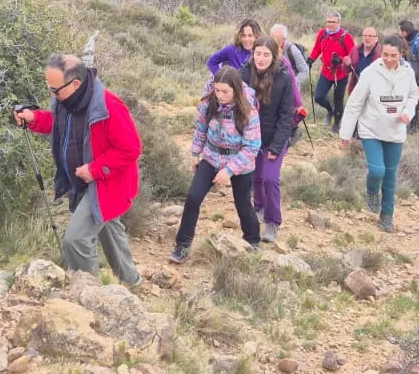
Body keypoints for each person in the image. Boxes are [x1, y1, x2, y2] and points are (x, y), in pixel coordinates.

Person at [14, 54, 142, 285]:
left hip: (108, 185)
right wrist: (34, 118)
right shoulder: (66, 101)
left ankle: (88, 294)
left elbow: (130, 149)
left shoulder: (108, 106)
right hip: (82, 182)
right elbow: (58, 124)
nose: (52, 95)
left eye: (56, 90)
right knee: (111, 231)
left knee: (76, 240)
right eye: (49, 88)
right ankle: (132, 283)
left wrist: (95, 169)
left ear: (75, 83)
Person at [171, 67, 262, 263]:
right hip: (211, 157)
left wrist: (229, 170)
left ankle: (252, 240)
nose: (220, 95)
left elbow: (252, 147)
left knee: (243, 203)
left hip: (240, 163)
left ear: (236, 90)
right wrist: (195, 153)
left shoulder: (248, 111)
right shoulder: (208, 104)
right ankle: (182, 245)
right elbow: (201, 129)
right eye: (217, 90)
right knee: (193, 197)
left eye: (225, 92)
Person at [338, 35, 419, 233]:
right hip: (371, 129)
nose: (389, 59)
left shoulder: (408, 73)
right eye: (385, 54)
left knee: (390, 174)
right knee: (377, 171)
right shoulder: (370, 72)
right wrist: (345, 133)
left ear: (401, 54)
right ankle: (372, 192)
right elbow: (355, 103)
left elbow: (413, 96)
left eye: (393, 55)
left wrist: (408, 113)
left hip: (395, 131)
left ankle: (387, 215)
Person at [240, 38, 297, 243]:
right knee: (255, 176)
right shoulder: (244, 74)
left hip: (275, 137)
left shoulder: (283, 77)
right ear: (252, 54)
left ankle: (273, 222)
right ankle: (259, 208)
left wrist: (276, 145)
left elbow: (286, 115)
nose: (261, 58)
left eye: (266, 54)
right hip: (250, 138)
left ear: (273, 57)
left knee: (270, 178)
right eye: (258, 54)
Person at [308, 12, 356, 134]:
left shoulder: (345, 37)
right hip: (326, 72)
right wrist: (311, 59)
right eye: (328, 21)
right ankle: (330, 110)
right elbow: (317, 48)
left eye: (333, 22)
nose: (330, 24)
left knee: (338, 100)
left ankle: (336, 125)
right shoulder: (322, 33)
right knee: (318, 97)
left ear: (339, 23)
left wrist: (342, 60)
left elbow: (353, 55)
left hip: (340, 74)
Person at [267, 23, 308, 112]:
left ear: (284, 39)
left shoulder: (292, 50)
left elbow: (304, 70)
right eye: (271, 38)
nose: (273, 41)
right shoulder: (267, 48)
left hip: (290, 91)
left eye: (277, 39)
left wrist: (294, 81)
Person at [345, 26, 382, 96]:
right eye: (365, 35)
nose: (367, 38)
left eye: (370, 36)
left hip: (373, 92)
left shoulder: (381, 53)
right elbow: (346, 70)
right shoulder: (355, 50)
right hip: (356, 90)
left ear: (376, 39)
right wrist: (346, 64)